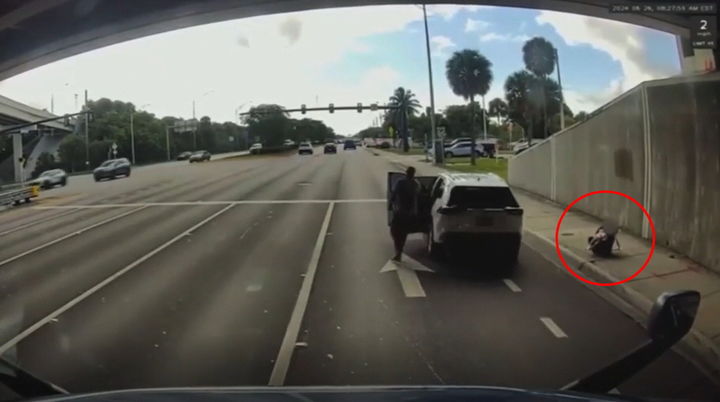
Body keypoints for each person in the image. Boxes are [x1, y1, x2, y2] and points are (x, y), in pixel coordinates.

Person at [390, 166, 420, 262]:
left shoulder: (400, 182)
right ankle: (399, 252)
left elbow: (394, 194)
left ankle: (398, 252)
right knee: (403, 234)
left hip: (400, 212)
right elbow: (417, 198)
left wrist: (391, 204)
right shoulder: (415, 184)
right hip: (409, 213)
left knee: (395, 232)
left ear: (406, 173)